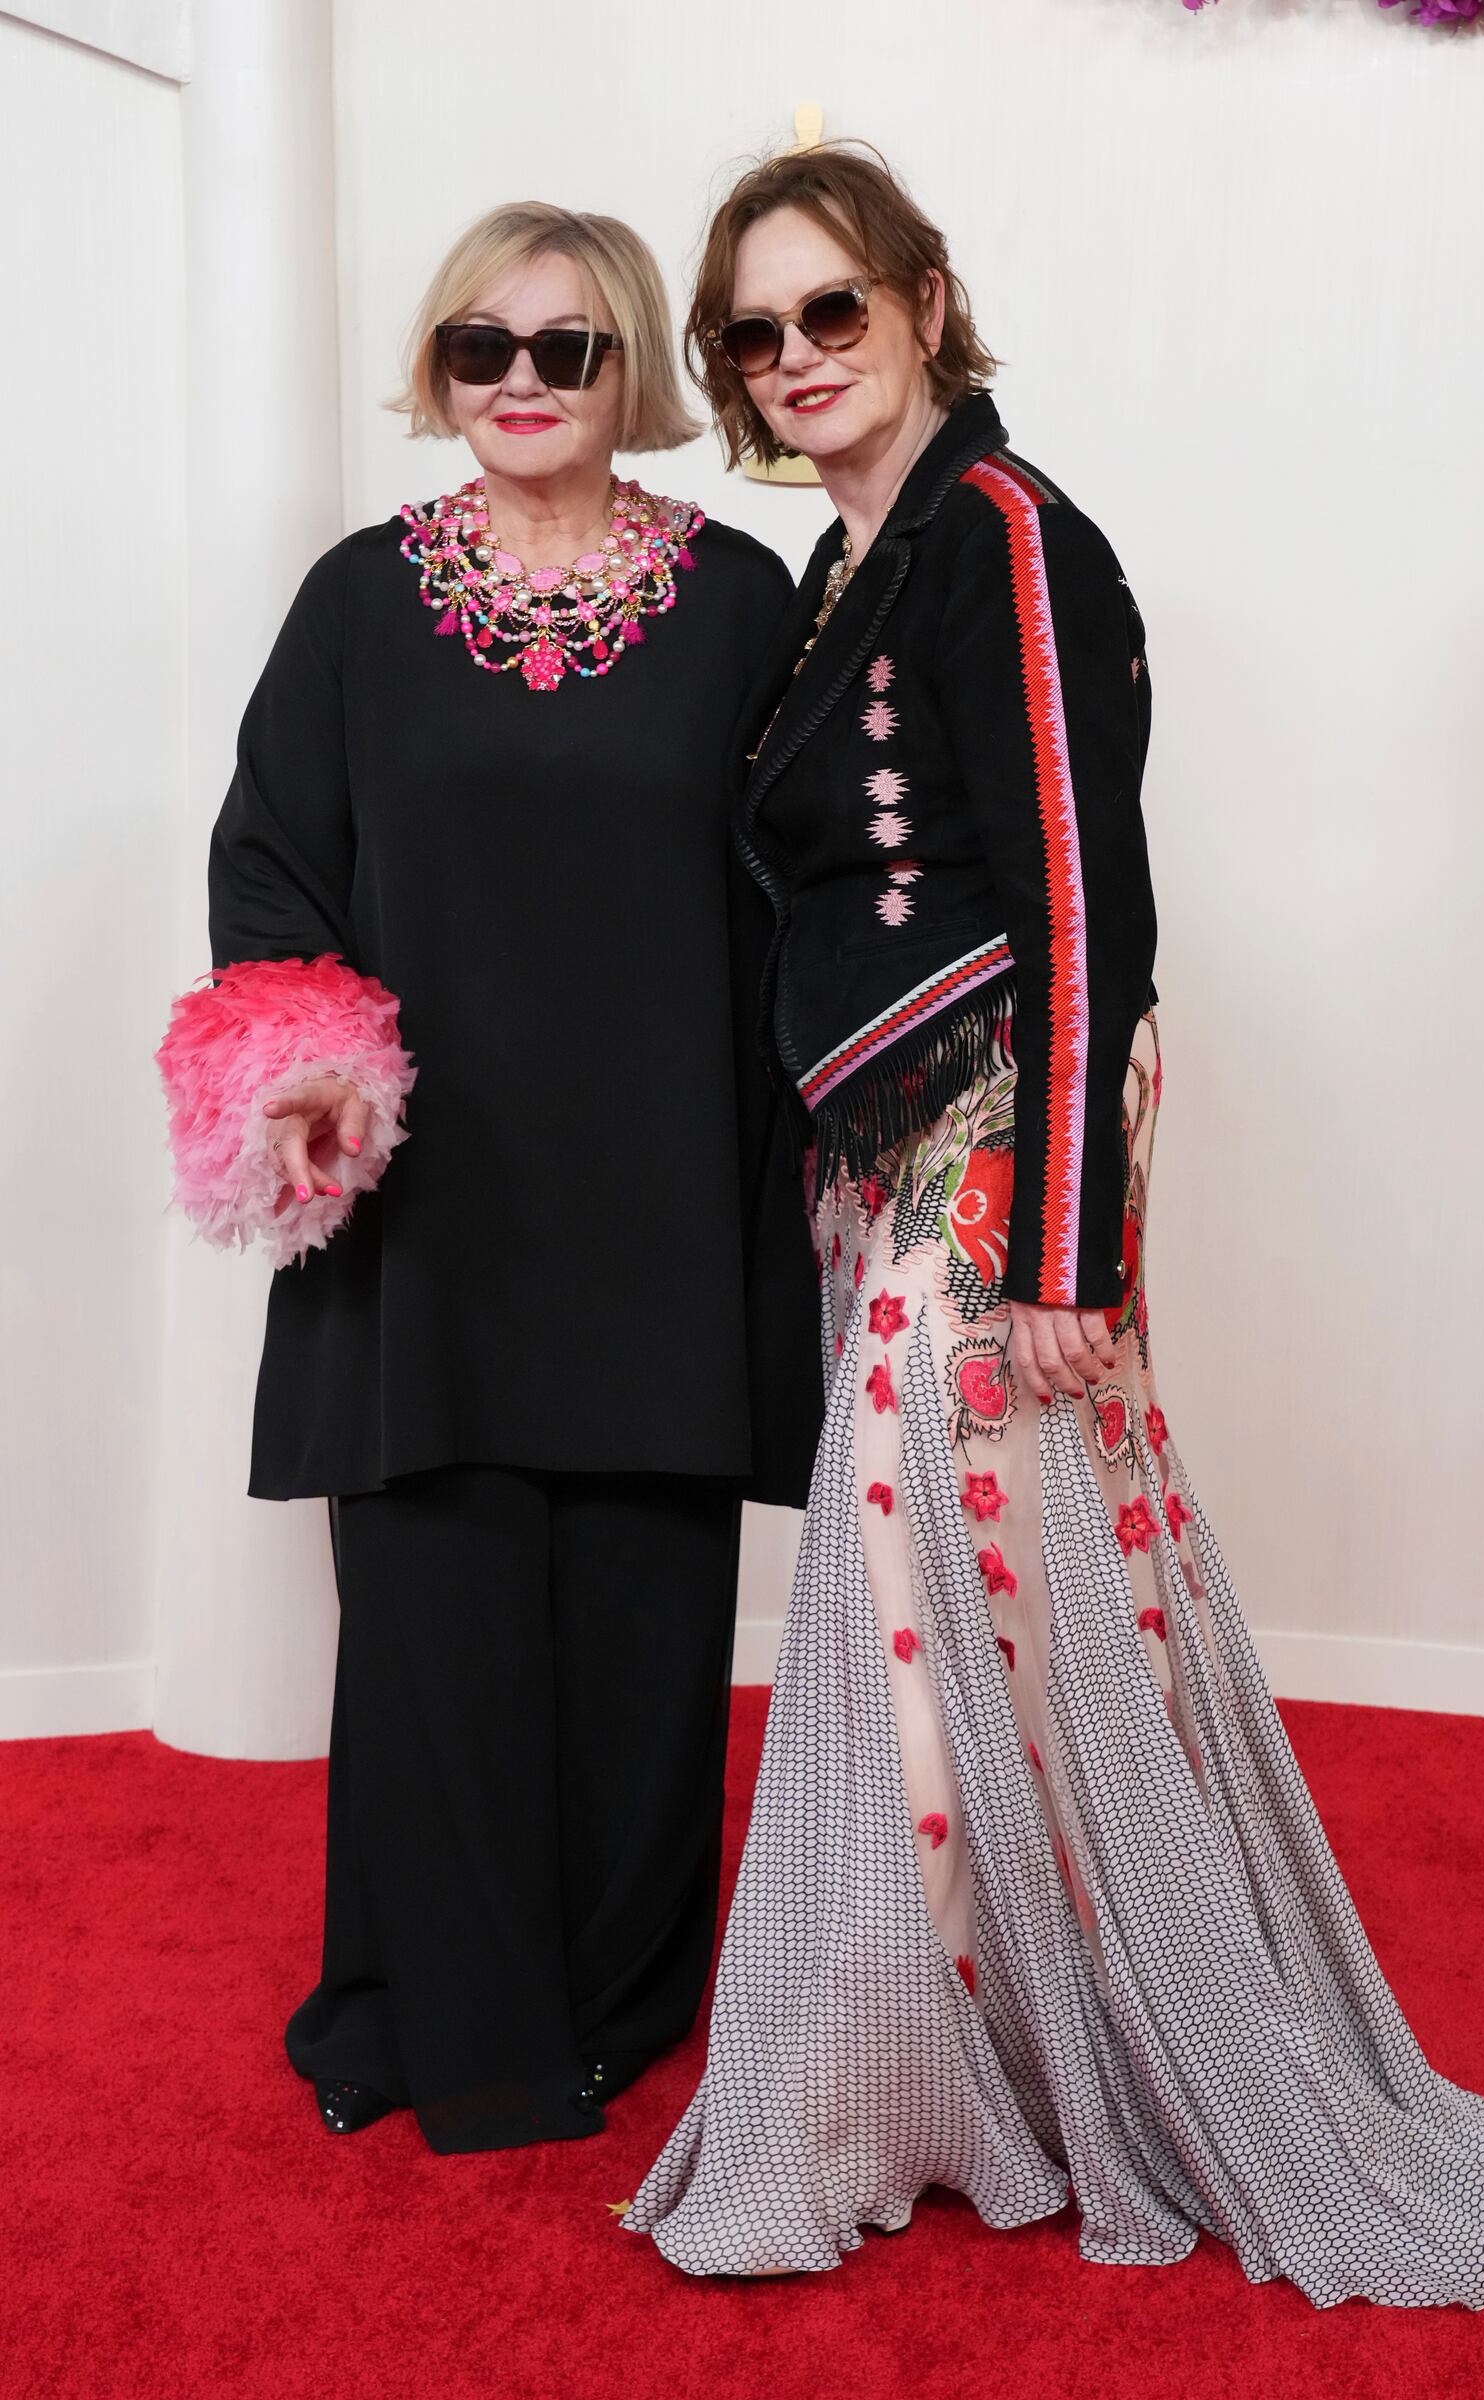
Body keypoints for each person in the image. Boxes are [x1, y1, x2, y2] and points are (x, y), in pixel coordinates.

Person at [623, 143, 1484, 2305]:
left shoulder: (1005, 539)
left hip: (988, 1141)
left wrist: (1065, 1248)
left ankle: (1022, 2072)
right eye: (753, 335)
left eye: (829, 312)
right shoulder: (844, 562)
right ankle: (969, 2066)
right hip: (886, 1159)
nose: (793, 360)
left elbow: (1077, 898)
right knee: (934, 1619)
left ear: (927, 301)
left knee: (965, 1612)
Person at [156, 202, 821, 2155]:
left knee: (635, 1629)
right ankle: (430, 2000)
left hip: (660, 1203)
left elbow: (809, 891)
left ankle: (616, 2004)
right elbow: (271, 861)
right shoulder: (359, 602)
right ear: (437, 368)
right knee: (437, 1634)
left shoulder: (734, 605)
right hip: (429, 1215)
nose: (520, 385)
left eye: (566, 350)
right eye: (480, 348)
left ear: (633, 369)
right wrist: (298, 1079)